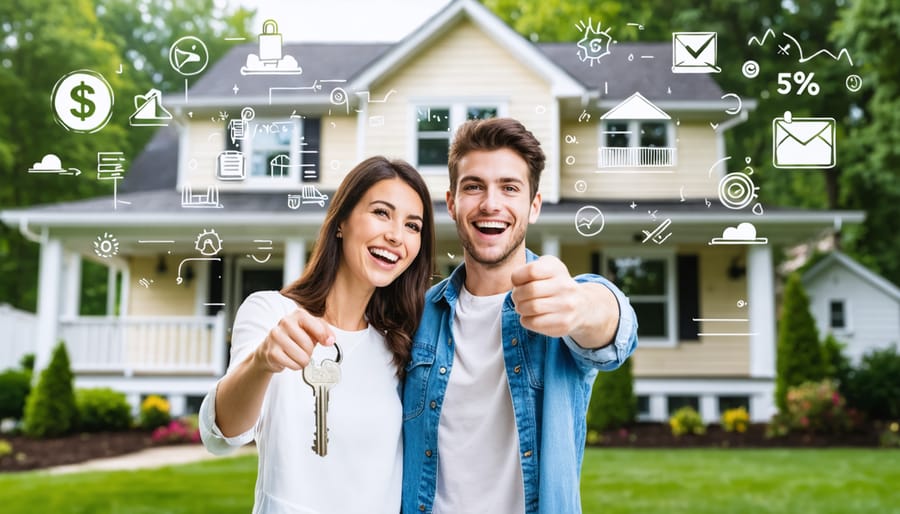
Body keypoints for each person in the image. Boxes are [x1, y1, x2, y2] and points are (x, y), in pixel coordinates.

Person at [401, 117, 638, 514]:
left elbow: (615, 329)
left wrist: (581, 308)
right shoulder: (417, 316)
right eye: (474, 186)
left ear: (533, 205)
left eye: (509, 188)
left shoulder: (560, 302)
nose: (491, 203)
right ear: (452, 203)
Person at [198, 156, 435, 514]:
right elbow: (224, 434)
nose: (396, 235)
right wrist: (262, 362)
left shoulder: (400, 344)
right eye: (381, 213)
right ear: (341, 221)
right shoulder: (271, 313)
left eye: (413, 226)